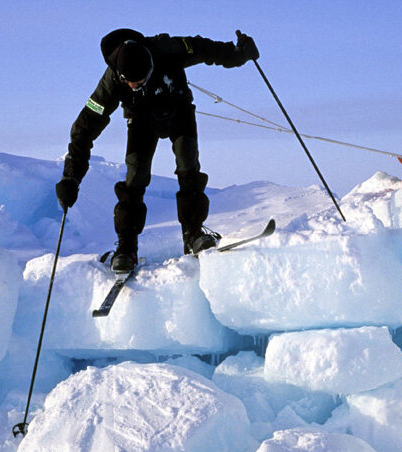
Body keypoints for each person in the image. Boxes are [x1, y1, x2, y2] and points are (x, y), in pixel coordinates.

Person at [55, 28, 260, 273]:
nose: (133, 85)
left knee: (188, 165)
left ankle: (193, 234)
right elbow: (85, 127)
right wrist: (71, 177)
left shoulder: (168, 50)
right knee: (136, 176)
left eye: (139, 81)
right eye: (128, 81)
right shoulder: (112, 80)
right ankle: (127, 248)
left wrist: (237, 54)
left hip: (179, 111)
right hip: (141, 121)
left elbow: (205, 49)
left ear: (150, 67)